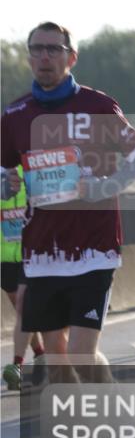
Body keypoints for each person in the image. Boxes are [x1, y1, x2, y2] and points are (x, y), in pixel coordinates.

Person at [0, 22, 135, 380]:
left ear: (71, 57)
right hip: (42, 253)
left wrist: (103, 187)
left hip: (94, 249)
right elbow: (4, 173)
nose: (45, 56)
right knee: (57, 360)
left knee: (81, 355)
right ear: (29, 58)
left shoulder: (97, 105)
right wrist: (6, 184)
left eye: (54, 49)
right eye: (37, 49)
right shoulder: (14, 115)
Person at [1, 164, 44, 390]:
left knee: (23, 306)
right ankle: (41, 354)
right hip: (4, 255)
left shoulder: (30, 166)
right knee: (21, 309)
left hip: (31, 252)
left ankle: (17, 365)